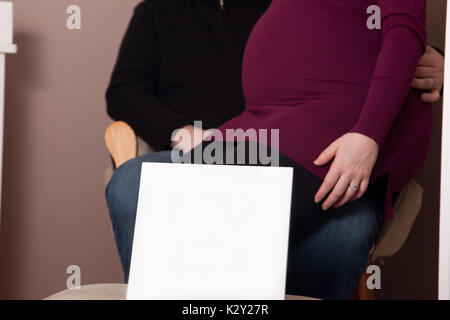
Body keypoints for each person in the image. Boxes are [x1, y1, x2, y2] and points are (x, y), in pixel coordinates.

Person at [106, 0, 443, 299]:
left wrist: (437, 59)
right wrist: (180, 132)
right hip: (228, 143)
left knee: (346, 229)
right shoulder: (158, 13)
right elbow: (124, 92)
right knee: (132, 183)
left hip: (287, 144)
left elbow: (383, 32)